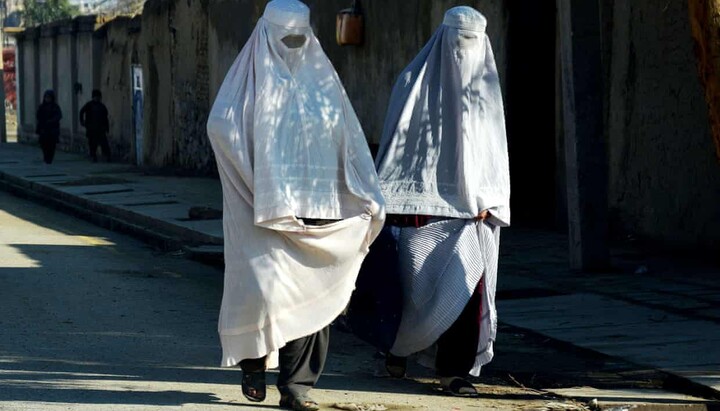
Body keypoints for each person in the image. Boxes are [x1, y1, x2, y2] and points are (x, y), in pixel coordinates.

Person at [206, 1, 384, 410]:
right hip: (261, 208)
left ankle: (297, 385)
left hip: (320, 205)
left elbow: (350, 140)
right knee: (263, 291)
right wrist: (252, 181)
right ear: (266, 34)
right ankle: (253, 361)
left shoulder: (323, 82)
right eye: (284, 39)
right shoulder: (247, 80)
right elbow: (220, 126)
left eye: (299, 38)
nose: (292, 46)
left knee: (313, 290)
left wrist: (365, 193)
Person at [373, 6, 510, 397]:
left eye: (472, 42)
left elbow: (493, 153)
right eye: (459, 41)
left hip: (471, 213)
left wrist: (493, 199)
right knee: (413, 287)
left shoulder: (486, 90)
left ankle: (454, 372)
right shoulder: (412, 81)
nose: (464, 51)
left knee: (467, 289)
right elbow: (397, 146)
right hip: (419, 209)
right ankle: (398, 347)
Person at [79, 89, 111, 162]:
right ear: (93, 97)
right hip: (91, 128)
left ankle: (107, 156)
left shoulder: (102, 106)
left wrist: (107, 128)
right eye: (95, 97)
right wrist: (82, 121)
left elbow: (105, 118)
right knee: (92, 144)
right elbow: (81, 112)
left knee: (104, 143)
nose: (97, 98)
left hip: (100, 129)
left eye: (98, 97)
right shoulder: (89, 105)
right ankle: (93, 157)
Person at [36, 90, 62, 164]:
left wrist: (52, 121)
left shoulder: (55, 107)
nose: (47, 99)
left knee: (52, 145)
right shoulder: (41, 107)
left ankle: (49, 158)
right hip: (44, 129)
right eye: (46, 97)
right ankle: (46, 157)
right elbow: (38, 116)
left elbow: (59, 116)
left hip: (52, 129)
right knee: (44, 144)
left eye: (49, 97)